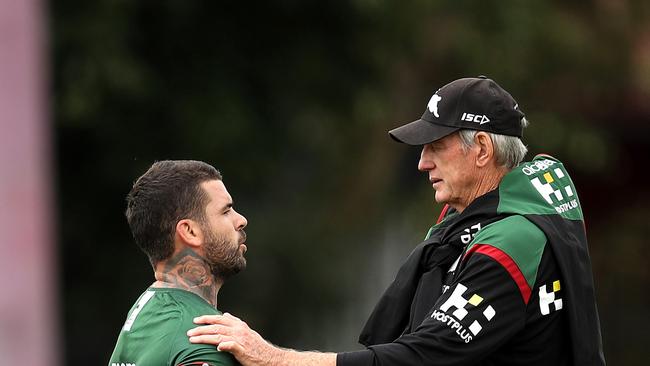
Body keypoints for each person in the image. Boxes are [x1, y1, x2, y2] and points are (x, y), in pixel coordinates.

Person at [186, 77, 606, 365]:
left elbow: (426, 357)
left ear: (481, 148)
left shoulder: (513, 239)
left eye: (436, 146)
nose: (422, 162)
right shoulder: (475, 220)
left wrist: (275, 358)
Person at [108, 160, 248, 366]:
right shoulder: (207, 338)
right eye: (226, 211)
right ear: (190, 232)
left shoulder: (145, 309)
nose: (241, 220)